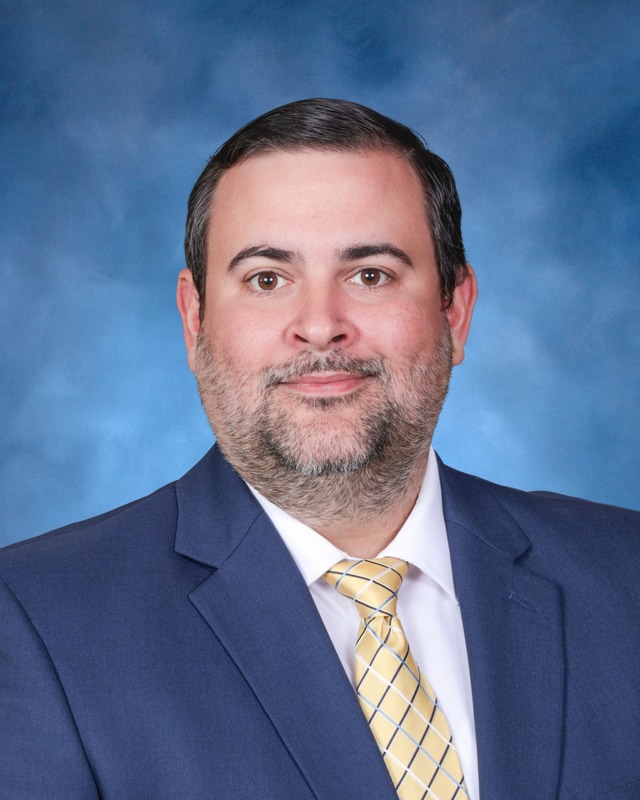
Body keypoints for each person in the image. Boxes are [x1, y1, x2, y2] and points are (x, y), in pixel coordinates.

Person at [1, 99, 638, 800]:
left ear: (455, 312)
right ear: (194, 320)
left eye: (371, 274)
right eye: (267, 279)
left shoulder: (625, 575)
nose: (319, 326)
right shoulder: (35, 619)